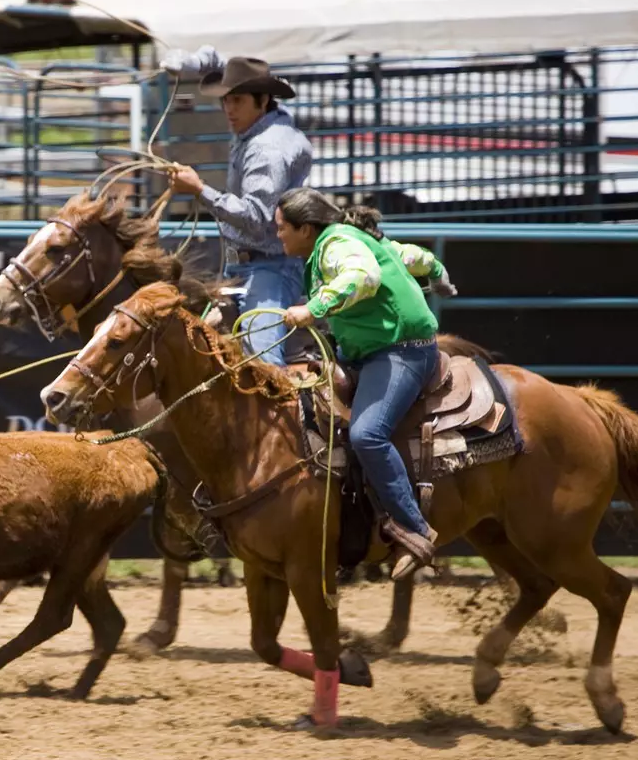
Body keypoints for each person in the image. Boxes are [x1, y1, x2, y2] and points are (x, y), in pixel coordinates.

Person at [272, 188, 457, 578]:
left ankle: (416, 529)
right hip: (366, 351)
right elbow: (412, 257)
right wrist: (438, 273)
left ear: (306, 229)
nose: (278, 236)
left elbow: (365, 277)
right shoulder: (359, 238)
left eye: (282, 228)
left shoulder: (335, 244)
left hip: (400, 352)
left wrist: (314, 308)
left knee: (368, 434)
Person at [162, 54, 314, 365]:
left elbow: (257, 218)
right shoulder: (267, 124)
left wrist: (199, 190)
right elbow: (220, 63)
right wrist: (194, 62)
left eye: (238, 101)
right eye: (226, 100)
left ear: (263, 100)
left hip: (270, 268)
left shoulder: (266, 149)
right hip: (251, 267)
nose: (229, 109)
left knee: (262, 363)